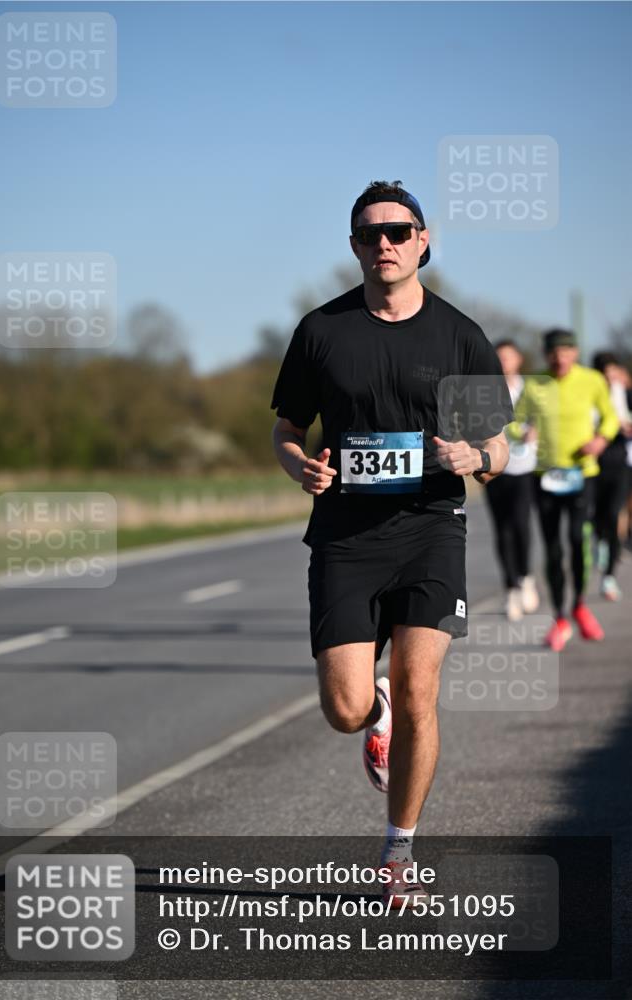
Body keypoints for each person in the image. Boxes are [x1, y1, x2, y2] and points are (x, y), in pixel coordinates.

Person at [271, 180, 512, 906]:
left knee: (418, 689)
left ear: (423, 240)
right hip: (344, 536)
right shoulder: (322, 331)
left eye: (399, 232)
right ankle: (368, 712)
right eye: (370, 233)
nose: (385, 244)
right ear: (352, 245)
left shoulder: (457, 335)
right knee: (344, 710)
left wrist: (475, 460)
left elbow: (496, 446)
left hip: (431, 528)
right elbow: (285, 431)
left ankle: (398, 850)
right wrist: (300, 466)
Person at [511, 330, 619, 651]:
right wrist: (523, 433)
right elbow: (513, 422)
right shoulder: (535, 383)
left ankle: (580, 606)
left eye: (566, 352)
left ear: (575, 353)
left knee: (576, 539)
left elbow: (611, 418)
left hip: (582, 474)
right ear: (546, 355)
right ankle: (559, 616)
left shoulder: (592, 381)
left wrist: (600, 440)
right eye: (554, 353)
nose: (560, 358)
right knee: (553, 548)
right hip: (545, 476)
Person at [483, 340, 539, 621]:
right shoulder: (485, 391)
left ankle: (526, 576)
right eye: (499, 357)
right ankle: (511, 588)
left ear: (518, 360)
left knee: (520, 524)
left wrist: (537, 430)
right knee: (502, 529)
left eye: (508, 357)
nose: (503, 362)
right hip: (495, 469)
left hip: (523, 468)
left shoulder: (531, 389)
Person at [591, 352, 632, 601]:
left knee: (614, 513)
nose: (609, 379)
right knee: (596, 515)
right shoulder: (590, 396)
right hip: (593, 465)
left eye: (612, 373)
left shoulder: (626, 394)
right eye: (604, 375)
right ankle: (601, 543)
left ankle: (609, 577)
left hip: (620, 464)